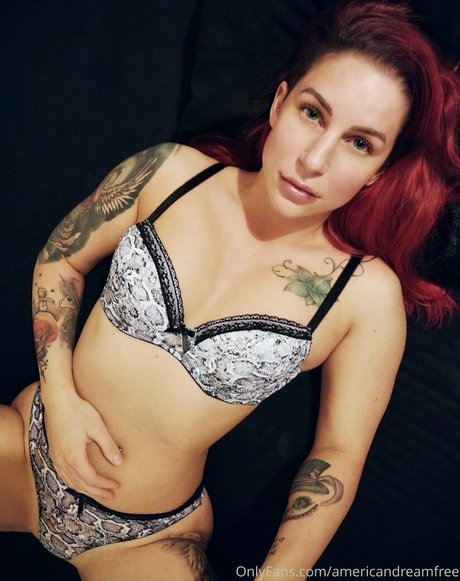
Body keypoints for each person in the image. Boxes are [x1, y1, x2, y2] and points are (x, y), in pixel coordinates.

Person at [1, 1, 458, 579]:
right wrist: (62, 400)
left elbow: (338, 453)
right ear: (280, 102)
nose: (315, 159)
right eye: (313, 113)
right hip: (26, 445)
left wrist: (280, 574)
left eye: (360, 143)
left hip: (143, 540)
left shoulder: (365, 296)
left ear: (378, 172)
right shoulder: (167, 172)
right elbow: (61, 260)